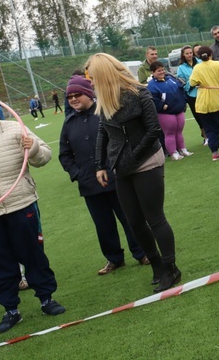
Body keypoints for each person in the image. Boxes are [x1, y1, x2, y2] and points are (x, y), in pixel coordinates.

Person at [88, 53, 181, 293]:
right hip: (122, 166)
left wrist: (131, 158)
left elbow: (152, 130)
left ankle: (171, 268)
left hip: (147, 159)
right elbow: (103, 132)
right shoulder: (104, 99)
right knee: (134, 221)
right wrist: (100, 164)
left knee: (154, 217)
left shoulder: (140, 92)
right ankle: (157, 266)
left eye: (92, 76)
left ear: (103, 74)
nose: (89, 81)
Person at [0, 97, 65, 334]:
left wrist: (32, 148)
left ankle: (46, 299)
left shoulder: (14, 128)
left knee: (33, 254)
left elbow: (44, 156)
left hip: (20, 204)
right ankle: (11, 311)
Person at [58, 75, 148, 275]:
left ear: (88, 94)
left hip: (117, 179)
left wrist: (115, 167)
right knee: (103, 225)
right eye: (69, 96)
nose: (73, 99)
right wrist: (78, 174)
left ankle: (142, 252)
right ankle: (114, 258)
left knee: (129, 218)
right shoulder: (69, 122)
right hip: (89, 184)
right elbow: (64, 154)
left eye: (77, 94)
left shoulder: (105, 113)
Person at [147, 60, 192, 160]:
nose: (162, 72)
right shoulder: (151, 85)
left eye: (162, 70)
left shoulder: (171, 79)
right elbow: (153, 99)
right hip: (166, 113)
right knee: (170, 133)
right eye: (159, 71)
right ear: (153, 73)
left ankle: (183, 149)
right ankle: (173, 152)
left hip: (178, 110)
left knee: (179, 131)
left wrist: (183, 101)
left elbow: (180, 89)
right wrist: (162, 106)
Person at [176, 45, 207, 145]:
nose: (189, 55)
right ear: (183, 55)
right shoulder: (181, 68)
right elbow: (182, 83)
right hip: (192, 95)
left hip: (204, 92)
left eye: (190, 53)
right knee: (199, 117)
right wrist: (193, 83)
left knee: (208, 114)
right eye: (187, 53)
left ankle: (213, 134)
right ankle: (206, 137)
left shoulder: (200, 62)